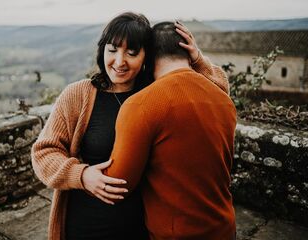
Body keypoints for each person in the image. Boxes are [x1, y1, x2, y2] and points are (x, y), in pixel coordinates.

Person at [31, 12, 229, 240]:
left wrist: (196, 59)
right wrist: (81, 175)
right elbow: (43, 152)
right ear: (102, 50)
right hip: (87, 225)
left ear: (147, 56)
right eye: (112, 50)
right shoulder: (79, 94)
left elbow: (219, 93)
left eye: (132, 53)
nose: (119, 62)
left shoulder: (156, 94)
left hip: (141, 227)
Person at [105, 21, 237, 240]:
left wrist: (81, 172)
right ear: (188, 53)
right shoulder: (223, 99)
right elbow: (220, 83)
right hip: (224, 227)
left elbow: (120, 184)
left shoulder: (141, 104)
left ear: (148, 58)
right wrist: (199, 59)